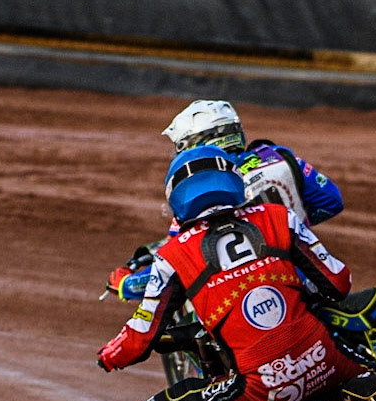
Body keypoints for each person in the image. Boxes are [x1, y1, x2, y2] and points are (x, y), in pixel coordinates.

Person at [96, 146, 365, 401]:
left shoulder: (171, 255)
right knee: (367, 359)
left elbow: (140, 337)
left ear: (176, 197)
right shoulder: (279, 218)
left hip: (259, 386)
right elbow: (339, 281)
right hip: (330, 362)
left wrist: (109, 356)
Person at [106, 99, 345, 300]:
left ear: (197, 143)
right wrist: (294, 224)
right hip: (313, 277)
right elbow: (331, 202)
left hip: (249, 294)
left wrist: (127, 285)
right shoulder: (281, 157)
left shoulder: (202, 187)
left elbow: (175, 264)